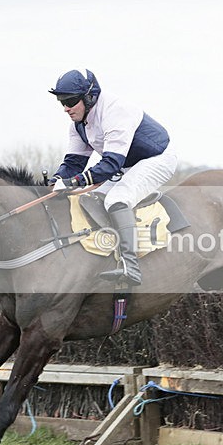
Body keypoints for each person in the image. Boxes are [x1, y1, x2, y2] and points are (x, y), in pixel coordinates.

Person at [48, 69, 177, 286]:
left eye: (70, 101)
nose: (66, 108)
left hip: (157, 159)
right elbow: (73, 163)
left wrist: (76, 182)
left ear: (89, 97)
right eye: (61, 102)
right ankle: (107, 254)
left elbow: (110, 164)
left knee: (116, 199)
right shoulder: (78, 125)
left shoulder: (116, 112)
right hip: (126, 165)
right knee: (90, 198)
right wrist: (55, 181)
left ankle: (131, 265)